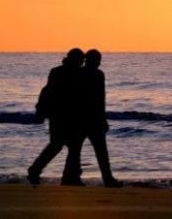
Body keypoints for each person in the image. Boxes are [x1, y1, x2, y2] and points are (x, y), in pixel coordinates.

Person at [28, 48, 87, 186]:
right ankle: (66, 176)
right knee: (62, 146)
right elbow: (49, 91)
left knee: (67, 146)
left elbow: (46, 91)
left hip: (65, 115)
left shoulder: (59, 71)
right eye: (81, 59)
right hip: (62, 115)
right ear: (74, 59)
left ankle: (69, 176)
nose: (83, 61)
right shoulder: (66, 73)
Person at [82, 49, 122, 187]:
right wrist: (102, 118)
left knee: (75, 151)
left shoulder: (80, 73)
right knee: (101, 152)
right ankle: (107, 179)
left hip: (80, 118)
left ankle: (71, 177)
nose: (99, 63)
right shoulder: (98, 75)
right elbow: (100, 99)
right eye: (98, 60)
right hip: (93, 119)